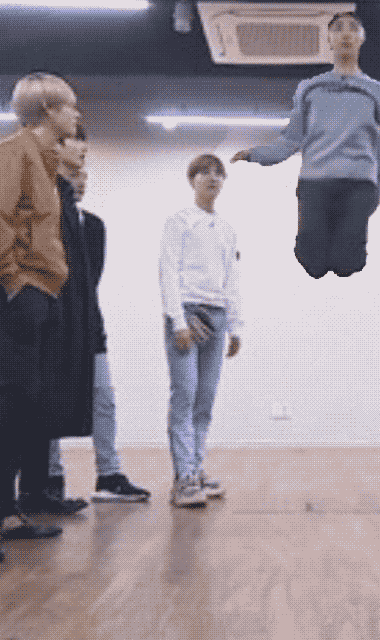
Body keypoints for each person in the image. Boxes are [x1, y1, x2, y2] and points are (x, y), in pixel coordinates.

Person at [0, 72, 90, 563]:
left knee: (28, 408)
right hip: (17, 292)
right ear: (48, 110)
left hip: (43, 292)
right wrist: (13, 283)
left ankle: (9, 513)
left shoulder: (46, 163)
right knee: (8, 405)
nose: (76, 114)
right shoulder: (11, 154)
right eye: (71, 106)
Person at [17, 128, 151, 509]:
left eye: (83, 175)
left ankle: (109, 474)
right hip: (52, 325)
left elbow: (88, 283)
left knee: (103, 398)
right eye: (73, 175)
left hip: (88, 325)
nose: (80, 181)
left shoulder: (93, 227)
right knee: (48, 401)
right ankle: (50, 478)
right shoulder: (45, 217)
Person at [231, 11, 380, 279]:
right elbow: (291, 139)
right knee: (313, 265)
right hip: (316, 182)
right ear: (329, 39)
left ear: (362, 38)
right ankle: (313, 250)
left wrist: (377, 188)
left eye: (353, 28)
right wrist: (255, 154)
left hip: (359, 184)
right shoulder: (310, 88)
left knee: (347, 264)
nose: (345, 34)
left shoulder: (378, 91)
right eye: (338, 29)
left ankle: (350, 251)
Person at [159, 154, 243, 508]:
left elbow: (232, 279)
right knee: (185, 396)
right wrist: (178, 321)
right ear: (192, 180)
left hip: (218, 316)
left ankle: (195, 467)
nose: (213, 178)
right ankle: (183, 479)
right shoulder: (179, 222)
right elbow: (167, 271)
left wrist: (236, 326)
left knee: (204, 401)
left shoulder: (226, 229)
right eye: (205, 172)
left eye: (219, 173)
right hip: (188, 315)